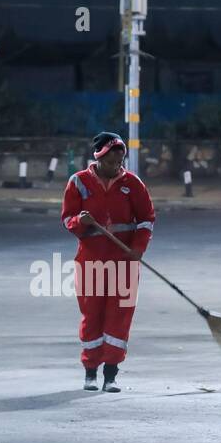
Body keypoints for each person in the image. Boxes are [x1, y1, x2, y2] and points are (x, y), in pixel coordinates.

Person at [60, 131, 155, 392]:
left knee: (120, 317)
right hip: (90, 261)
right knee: (92, 315)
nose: (117, 166)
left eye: (120, 160)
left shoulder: (133, 184)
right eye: (111, 161)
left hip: (125, 262)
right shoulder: (78, 182)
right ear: (99, 157)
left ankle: (111, 374)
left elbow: (147, 219)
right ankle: (90, 371)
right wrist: (81, 221)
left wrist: (138, 248)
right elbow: (67, 219)